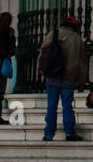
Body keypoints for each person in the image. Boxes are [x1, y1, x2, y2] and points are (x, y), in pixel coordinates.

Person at [37, 13, 88, 142]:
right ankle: (70, 133)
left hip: (53, 75)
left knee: (51, 106)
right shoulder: (77, 40)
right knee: (67, 106)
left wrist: (41, 69)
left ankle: (48, 134)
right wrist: (81, 81)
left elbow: (43, 53)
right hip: (69, 77)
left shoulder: (53, 34)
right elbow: (82, 63)